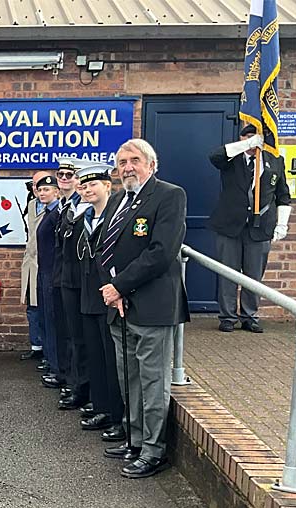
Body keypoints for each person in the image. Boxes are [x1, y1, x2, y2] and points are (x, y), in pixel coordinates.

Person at [98, 139, 189, 479]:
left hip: (153, 306)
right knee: (130, 380)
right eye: (122, 162)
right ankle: (134, 439)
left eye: (134, 160)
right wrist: (114, 291)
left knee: (153, 383)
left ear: (152, 164)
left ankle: (153, 451)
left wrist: (120, 285)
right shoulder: (120, 199)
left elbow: (161, 252)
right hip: (120, 306)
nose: (127, 167)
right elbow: (105, 249)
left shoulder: (170, 195)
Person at [208, 124, 291, 333]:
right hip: (230, 225)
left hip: (260, 227)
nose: (254, 141)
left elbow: (283, 195)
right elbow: (214, 156)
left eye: (256, 138)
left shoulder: (275, 161)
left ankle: (250, 316)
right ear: (242, 138)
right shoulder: (231, 158)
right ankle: (227, 316)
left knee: (254, 275)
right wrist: (245, 144)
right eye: (248, 137)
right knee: (228, 273)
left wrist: (282, 223)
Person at [74, 165, 125, 441]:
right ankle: (102, 407)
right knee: (96, 355)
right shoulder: (85, 217)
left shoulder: (116, 216)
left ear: (108, 185)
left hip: (109, 294)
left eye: (94, 184)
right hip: (89, 294)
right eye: (84, 185)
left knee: (111, 358)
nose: (88, 189)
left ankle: (117, 417)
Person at [53, 158, 91, 407]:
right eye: (65, 175)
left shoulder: (90, 208)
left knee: (86, 339)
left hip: (85, 281)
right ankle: (77, 385)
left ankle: (84, 389)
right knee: (74, 336)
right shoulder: (71, 208)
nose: (76, 183)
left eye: (75, 176)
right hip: (67, 279)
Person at [35, 175, 64, 389]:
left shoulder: (57, 214)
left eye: (47, 189)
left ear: (57, 192)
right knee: (45, 318)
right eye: (39, 190)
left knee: (54, 321)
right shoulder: (47, 213)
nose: (42, 193)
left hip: (52, 272)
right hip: (43, 270)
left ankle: (57, 369)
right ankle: (51, 362)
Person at [20, 171, 49, 362]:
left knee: (47, 309)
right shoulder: (31, 205)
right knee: (32, 307)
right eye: (34, 185)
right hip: (30, 264)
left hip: (46, 264)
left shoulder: (56, 207)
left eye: (41, 185)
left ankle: (49, 351)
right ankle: (36, 346)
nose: (37, 189)